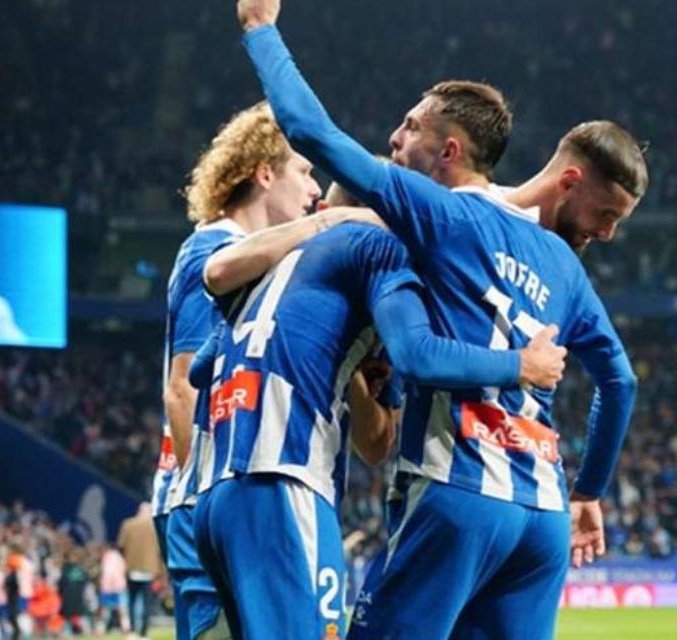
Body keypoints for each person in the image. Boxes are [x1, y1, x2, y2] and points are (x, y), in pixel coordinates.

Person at [233, 2, 638, 638]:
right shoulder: (562, 261)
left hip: (459, 489)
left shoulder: (438, 217)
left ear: (448, 150)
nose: (395, 140)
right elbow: (621, 383)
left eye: (409, 127)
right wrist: (589, 492)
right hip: (544, 515)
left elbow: (311, 133)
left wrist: (260, 29)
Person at [151, 101, 323, 640]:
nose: (314, 188)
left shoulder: (241, 255)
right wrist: (204, 498)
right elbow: (182, 389)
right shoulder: (212, 249)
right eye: (304, 170)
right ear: (264, 174)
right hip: (200, 494)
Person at [118, 503, 163, 640]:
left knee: (131, 600)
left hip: (132, 568)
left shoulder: (128, 524)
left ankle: (132, 631)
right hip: (150, 569)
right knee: (147, 602)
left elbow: (121, 545)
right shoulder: (154, 526)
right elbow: (160, 548)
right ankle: (144, 632)